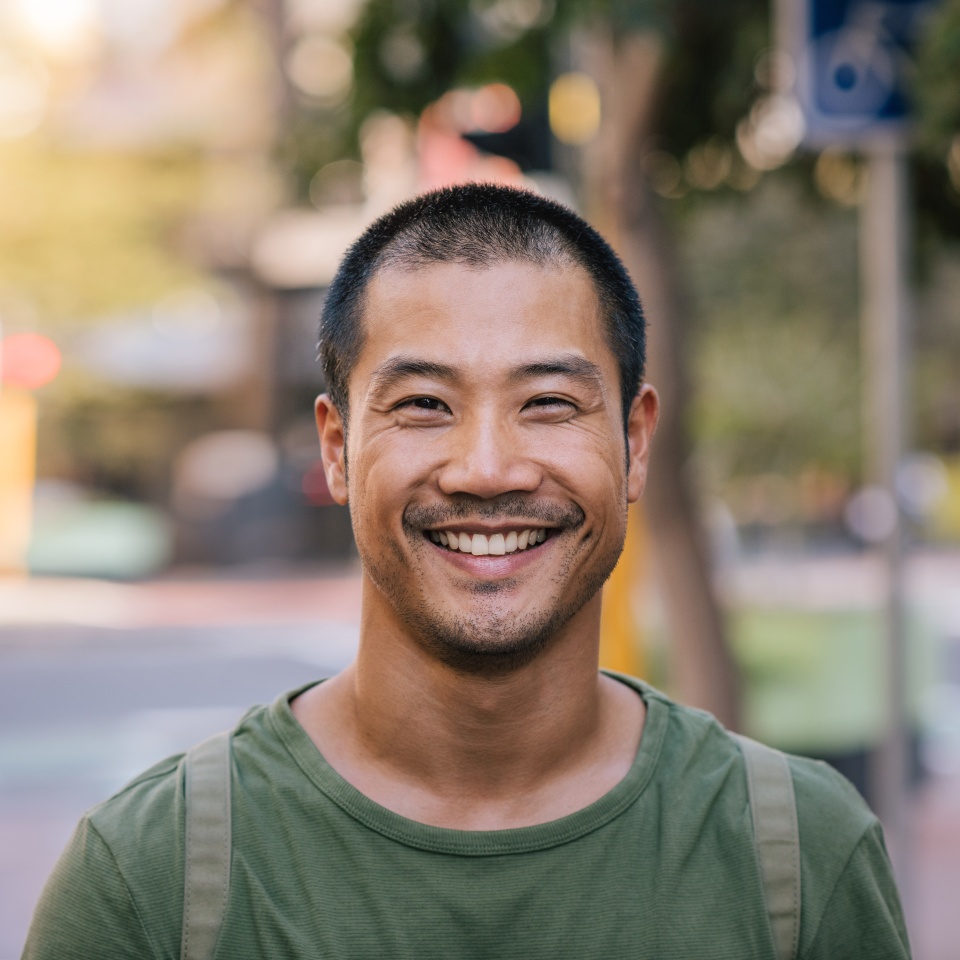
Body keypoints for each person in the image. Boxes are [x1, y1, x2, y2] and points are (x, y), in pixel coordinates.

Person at [23, 183, 910, 960]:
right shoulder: (155, 878)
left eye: (549, 403)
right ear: (337, 449)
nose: (487, 469)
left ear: (635, 443)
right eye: (423, 406)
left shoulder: (797, 856)